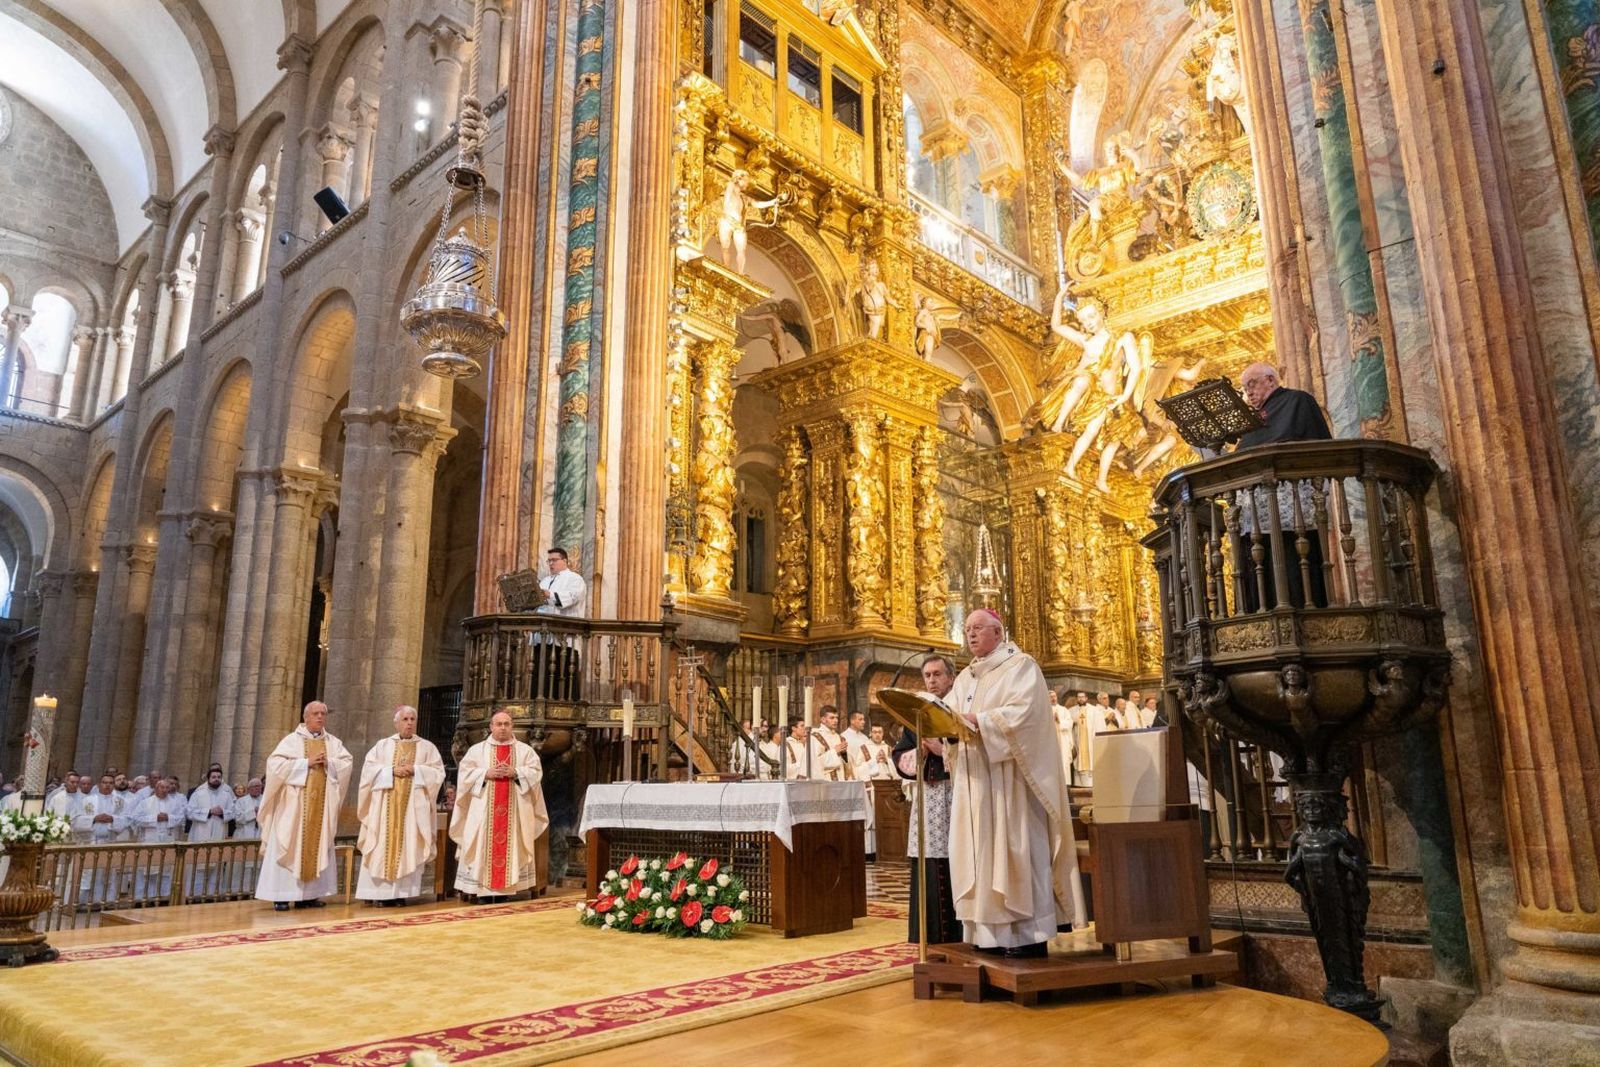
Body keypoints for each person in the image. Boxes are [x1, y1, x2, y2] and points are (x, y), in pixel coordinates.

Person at [947, 609, 1086, 958]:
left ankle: (1027, 935)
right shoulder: (964, 677)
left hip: (1011, 784)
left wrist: (978, 720)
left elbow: (1025, 715)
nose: (970, 634)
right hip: (975, 782)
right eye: (967, 629)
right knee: (979, 856)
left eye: (978, 628)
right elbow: (949, 716)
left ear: (998, 632)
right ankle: (987, 936)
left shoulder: (1021, 666)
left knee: (1016, 850)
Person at [1234, 362, 1334, 610]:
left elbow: (1320, 446)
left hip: (1292, 503)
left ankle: (1304, 613)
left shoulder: (1297, 401)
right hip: (1257, 510)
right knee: (1261, 563)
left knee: (1294, 563)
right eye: (1245, 388)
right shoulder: (1252, 421)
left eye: (1252, 384)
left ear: (1270, 380)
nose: (1249, 392)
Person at [255, 701, 353, 912]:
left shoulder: (333, 743)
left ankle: (308, 896)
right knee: (287, 845)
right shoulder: (291, 741)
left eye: (323, 714)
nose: (320, 717)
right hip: (293, 809)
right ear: (305, 717)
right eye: (315, 714)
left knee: (317, 846)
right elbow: (275, 766)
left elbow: (346, 763)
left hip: (320, 809)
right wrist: (305, 763)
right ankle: (281, 896)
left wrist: (329, 763)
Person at [893, 654, 962, 945]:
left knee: (957, 857)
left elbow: (974, 751)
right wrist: (918, 752)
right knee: (928, 859)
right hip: (928, 798)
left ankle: (960, 933)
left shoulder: (960, 708)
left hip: (957, 793)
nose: (932, 680)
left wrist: (942, 750)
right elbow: (900, 754)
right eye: (927, 675)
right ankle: (929, 933)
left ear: (951, 677)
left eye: (937, 674)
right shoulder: (917, 714)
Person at [452, 710, 547, 902]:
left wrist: (516, 772)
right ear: (491, 727)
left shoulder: (525, 751)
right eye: (498, 724)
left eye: (506, 724)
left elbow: (536, 773)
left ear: (512, 726)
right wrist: (485, 773)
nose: (502, 728)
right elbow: (464, 774)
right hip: (483, 811)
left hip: (514, 812)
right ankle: (480, 889)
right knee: (480, 843)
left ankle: (505, 890)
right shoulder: (477, 750)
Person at [356, 706, 446, 907]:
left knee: (409, 845)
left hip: (412, 811)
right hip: (384, 809)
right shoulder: (382, 746)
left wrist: (416, 770)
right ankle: (379, 894)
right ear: (396, 723)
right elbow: (368, 772)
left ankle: (401, 894)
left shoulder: (427, 748)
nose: (409, 723)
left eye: (412, 719)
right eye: (405, 719)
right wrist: (390, 770)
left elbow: (438, 773)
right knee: (380, 845)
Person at [536, 547, 585, 700]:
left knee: (564, 678)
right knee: (541, 679)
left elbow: (572, 597)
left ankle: (568, 710)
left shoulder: (575, 579)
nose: (551, 563)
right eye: (549, 561)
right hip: (543, 638)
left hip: (564, 640)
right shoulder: (545, 581)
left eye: (554, 560)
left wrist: (549, 594)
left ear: (565, 561)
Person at [856, 723, 896, 861]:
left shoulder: (888, 748)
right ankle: (870, 852)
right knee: (871, 818)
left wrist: (887, 761)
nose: (877, 734)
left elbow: (896, 770)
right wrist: (874, 761)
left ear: (883, 733)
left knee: (885, 819)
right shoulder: (863, 748)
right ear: (870, 733)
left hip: (886, 789)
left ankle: (886, 850)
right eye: (875, 732)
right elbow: (857, 769)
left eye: (880, 732)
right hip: (871, 788)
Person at [188, 765, 235, 842]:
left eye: (219, 777)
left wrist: (222, 812)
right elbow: (190, 813)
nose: (216, 779)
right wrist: (209, 811)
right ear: (208, 779)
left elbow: (233, 812)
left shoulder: (227, 795)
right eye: (213, 777)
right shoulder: (198, 794)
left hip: (220, 829)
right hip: (201, 831)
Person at [812, 706, 849, 782]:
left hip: (841, 780)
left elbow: (846, 764)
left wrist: (844, 754)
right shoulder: (815, 737)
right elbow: (814, 762)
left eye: (837, 718)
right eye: (832, 718)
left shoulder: (839, 737)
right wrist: (835, 751)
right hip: (826, 781)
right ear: (823, 719)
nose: (836, 720)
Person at [840, 710, 870, 775]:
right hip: (850, 773)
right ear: (852, 721)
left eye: (863, 719)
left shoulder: (865, 738)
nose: (863, 722)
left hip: (864, 773)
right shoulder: (843, 737)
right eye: (860, 719)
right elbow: (843, 759)